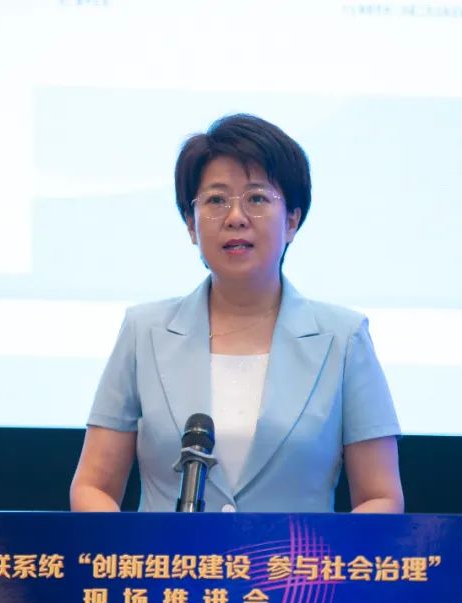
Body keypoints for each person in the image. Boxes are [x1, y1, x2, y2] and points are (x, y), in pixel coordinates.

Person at [70, 114, 403, 513]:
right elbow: (93, 486)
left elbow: (380, 497)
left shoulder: (344, 338)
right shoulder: (144, 332)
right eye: (216, 200)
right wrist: (133, 551)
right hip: (167, 557)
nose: (235, 217)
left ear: (292, 220)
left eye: (257, 199)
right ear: (191, 225)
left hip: (298, 557)